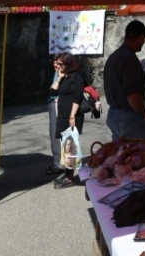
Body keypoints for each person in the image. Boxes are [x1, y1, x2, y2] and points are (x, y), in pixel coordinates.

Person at [104, 19, 145, 141]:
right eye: (144, 38)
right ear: (141, 37)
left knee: (122, 152)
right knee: (138, 151)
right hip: (130, 118)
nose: (144, 41)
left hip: (115, 114)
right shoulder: (129, 59)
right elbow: (133, 95)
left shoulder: (114, 56)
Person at [50, 52, 85, 188]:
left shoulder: (77, 77)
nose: (57, 66)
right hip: (63, 116)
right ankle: (67, 174)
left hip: (72, 116)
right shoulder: (63, 77)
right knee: (66, 145)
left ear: (68, 64)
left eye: (60, 63)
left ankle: (70, 177)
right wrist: (59, 78)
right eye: (57, 63)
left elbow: (77, 97)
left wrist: (72, 116)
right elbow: (52, 92)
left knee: (70, 146)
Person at [45, 54, 64, 176]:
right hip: (54, 103)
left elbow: (54, 91)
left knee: (57, 134)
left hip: (57, 104)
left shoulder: (62, 75)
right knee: (55, 134)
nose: (55, 65)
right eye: (54, 62)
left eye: (58, 63)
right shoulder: (57, 73)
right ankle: (59, 162)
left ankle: (59, 163)